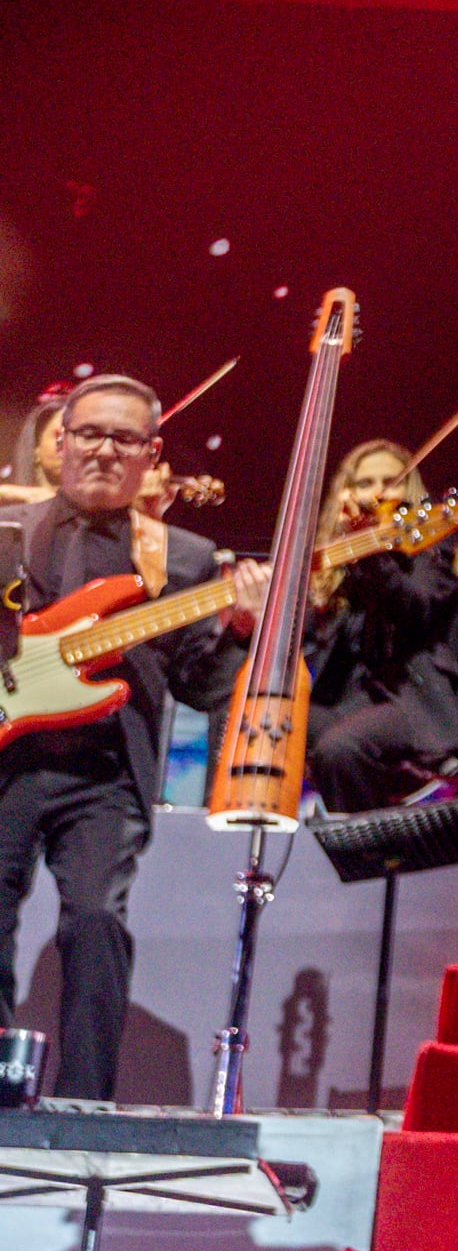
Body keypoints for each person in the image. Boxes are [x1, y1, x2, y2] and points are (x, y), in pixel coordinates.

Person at [0, 376, 264, 1098]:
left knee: (95, 923)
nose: (104, 451)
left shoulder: (179, 556)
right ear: (60, 442)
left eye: (124, 439)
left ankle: (85, 1103)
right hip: (8, 763)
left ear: (151, 455)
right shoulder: (9, 531)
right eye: (90, 433)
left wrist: (241, 629)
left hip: (106, 774)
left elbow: (202, 686)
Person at [302, 439, 458, 811]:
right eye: (365, 483)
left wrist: (373, 552)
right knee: (271, 720)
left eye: (390, 481)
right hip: (351, 701)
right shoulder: (340, 557)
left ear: (409, 490)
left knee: (339, 749)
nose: (378, 492)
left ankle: (364, 838)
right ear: (348, 494)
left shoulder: (432, 543)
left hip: (414, 702)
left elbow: (416, 608)